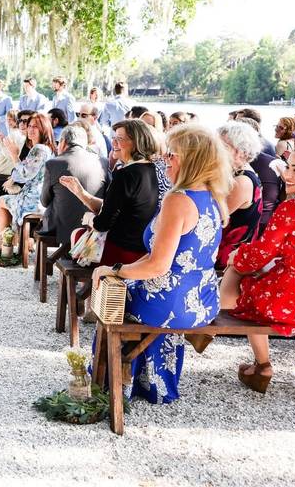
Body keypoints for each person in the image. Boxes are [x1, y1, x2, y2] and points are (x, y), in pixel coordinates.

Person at [92, 124, 230, 404]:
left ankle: (106, 383)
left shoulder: (177, 201)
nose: (165, 160)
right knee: (126, 284)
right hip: (202, 300)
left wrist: (113, 270)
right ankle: (154, 384)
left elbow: (157, 266)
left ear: (191, 160)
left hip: (172, 303)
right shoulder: (212, 197)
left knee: (108, 297)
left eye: (172, 155)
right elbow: (166, 258)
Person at [219, 144, 295, 393]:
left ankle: (261, 363)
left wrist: (236, 256)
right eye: (287, 166)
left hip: (289, 303)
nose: (286, 175)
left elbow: (258, 256)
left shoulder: (292, 208)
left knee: (237, 269)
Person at [62, 120, 161, 265]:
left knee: (77, 234)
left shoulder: (125, 174)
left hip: (122, 252)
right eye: (113, 138)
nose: (113, 143)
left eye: (119, 139)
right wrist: (81, 193)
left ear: (136, 142)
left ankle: (92, 286)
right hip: (143, 249)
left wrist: (89, 219)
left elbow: (102, 224)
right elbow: (122, 207)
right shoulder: (151, 168)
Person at [40, 125, 108, 248]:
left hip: (60, 227)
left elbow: (44, 201)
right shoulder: (103, 161)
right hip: (94, 224)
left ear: (63, 142)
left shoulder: (53, 163)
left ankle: (45, 264)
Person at [0, 112, 55, 250]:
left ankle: (2, 247)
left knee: (1, 201)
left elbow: (22, 174)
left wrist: (14, 155)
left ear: (44, 129)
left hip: (33, 199)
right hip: (39, 196)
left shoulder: (38, 149)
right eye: (30, 126)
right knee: (4, 196)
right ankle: (10, 242)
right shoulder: (45, 149)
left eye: (36, 127)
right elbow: (21, 173)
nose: (31, 129)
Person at [216, 122, 262, 269]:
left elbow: (213, 216)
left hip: (228, 255)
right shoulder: (235, 173)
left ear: (241, 152)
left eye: (223, 147)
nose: (215, 150)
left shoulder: (241, 181)